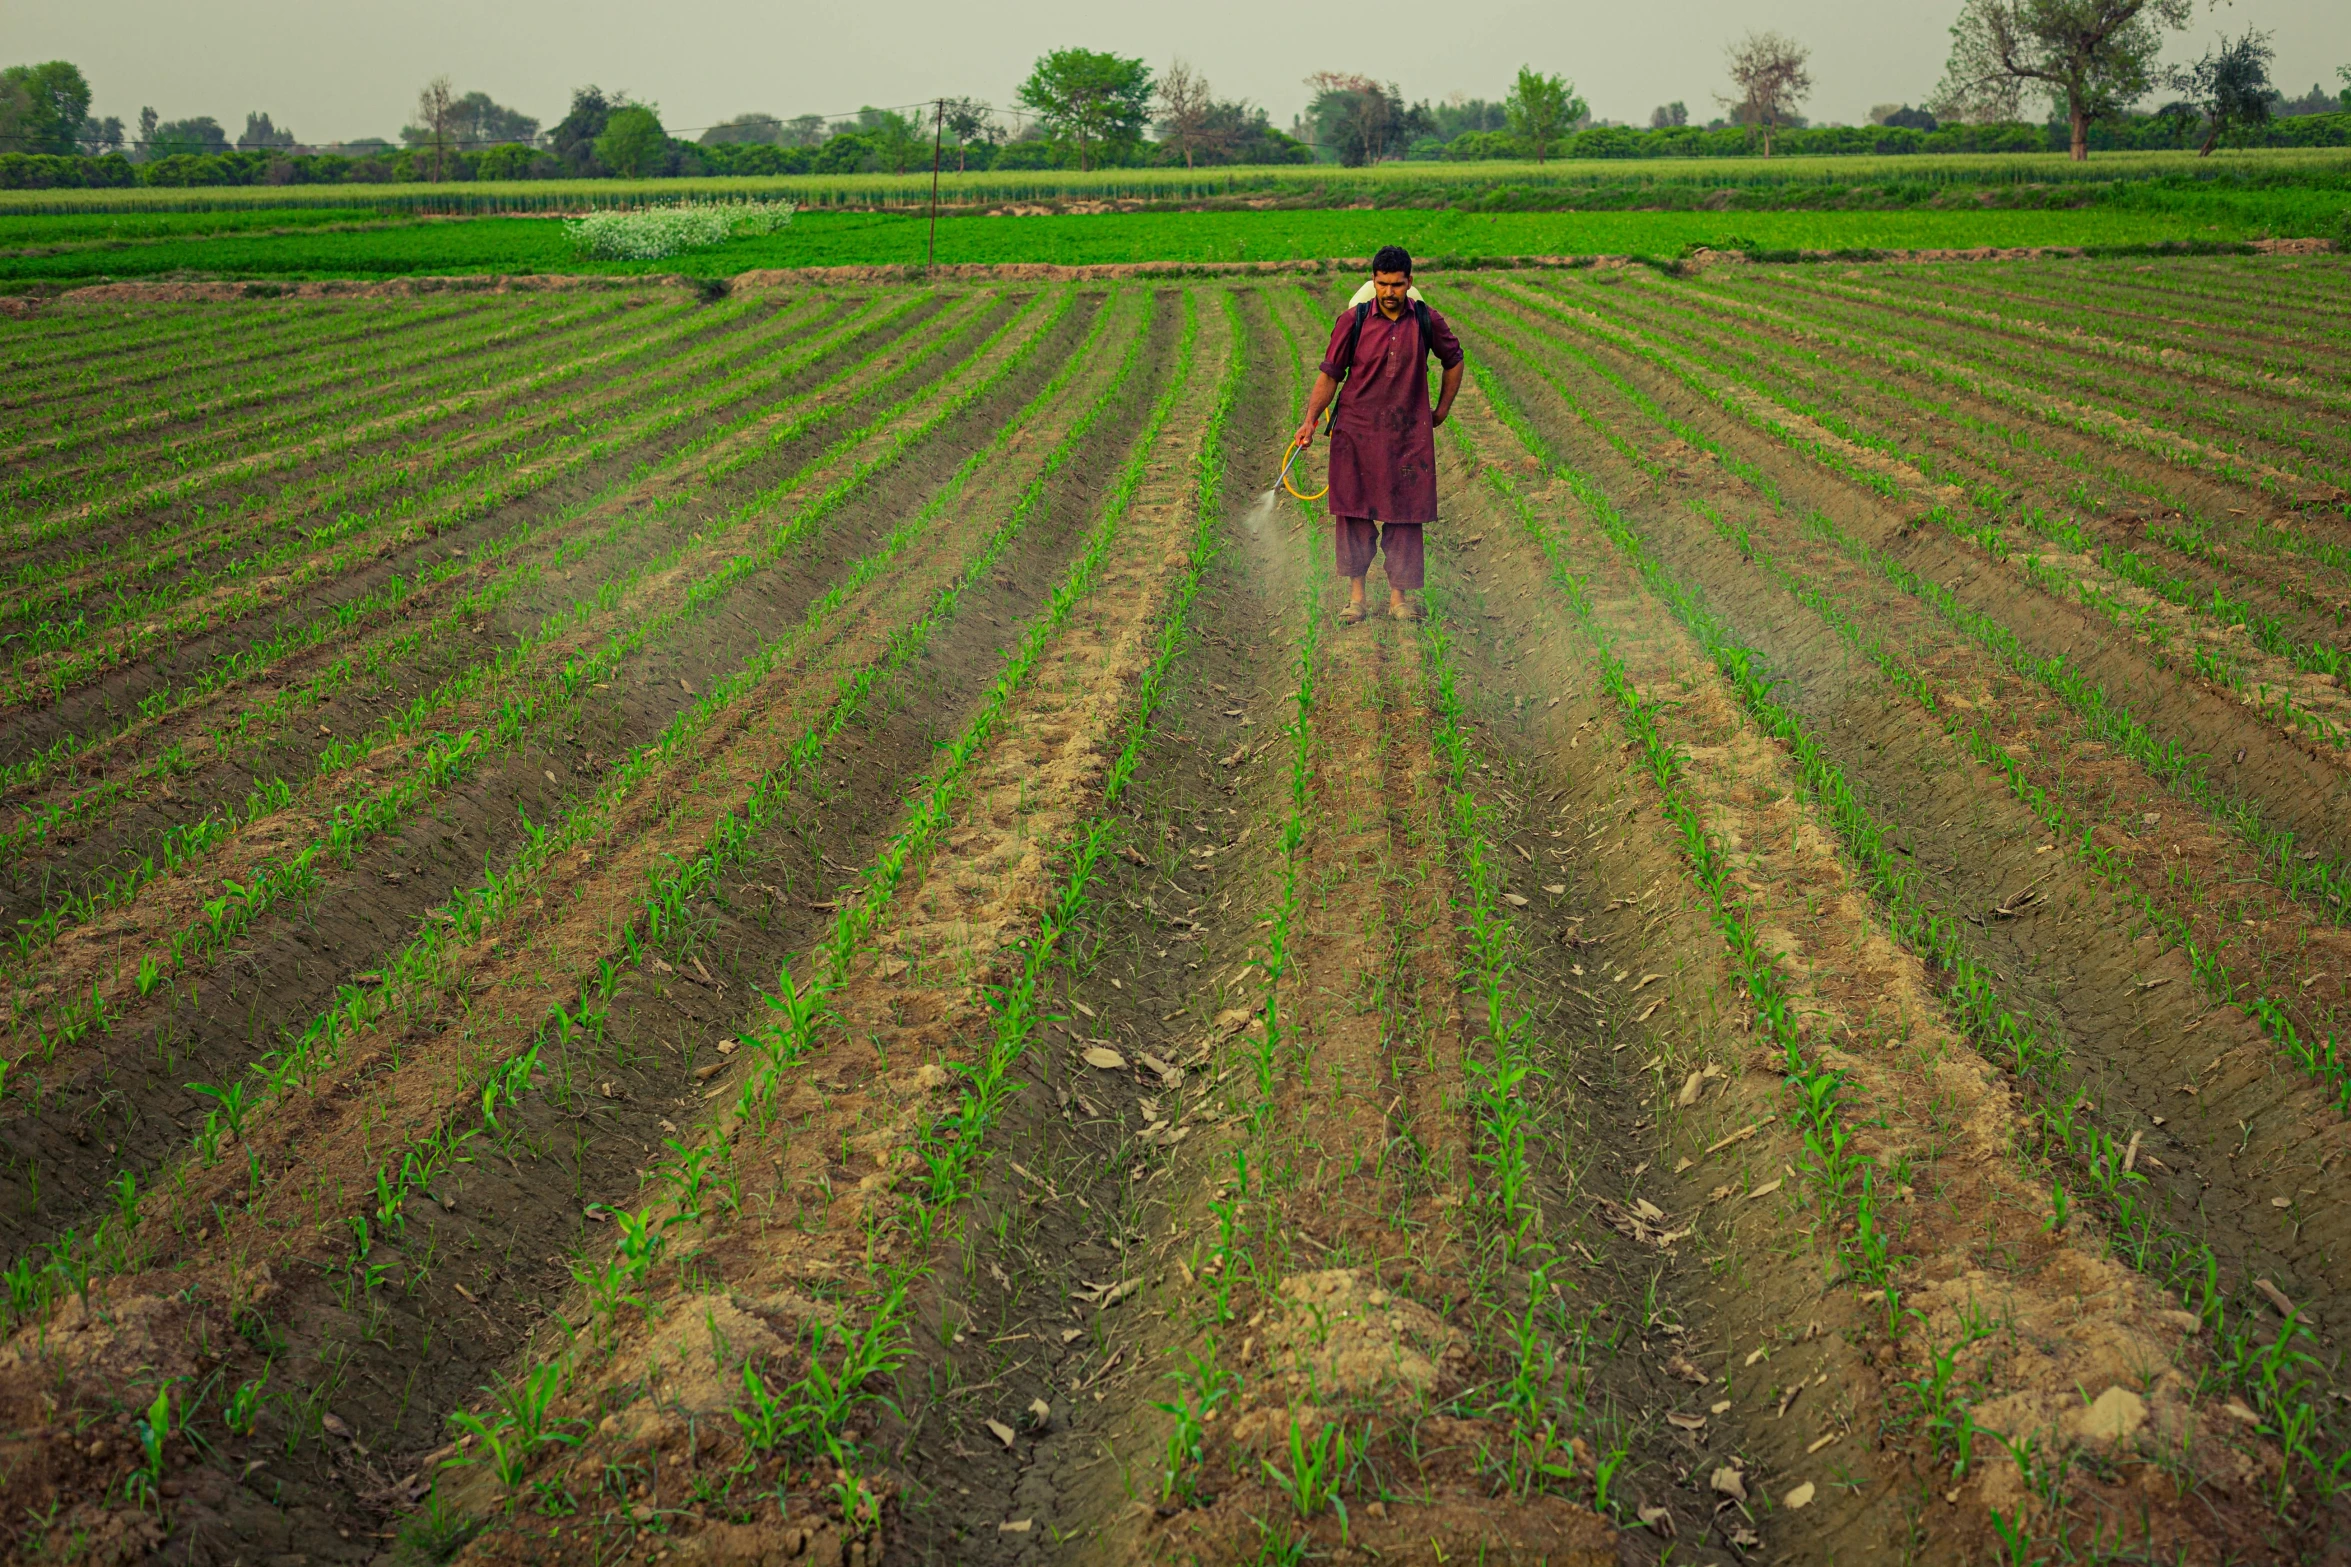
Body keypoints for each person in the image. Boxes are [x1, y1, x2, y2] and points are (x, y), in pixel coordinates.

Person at [1291, 244, 1466, 623]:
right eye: (1383, 284)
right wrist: (1310, 419)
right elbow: (1330, 375)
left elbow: (1454, 359)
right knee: (1353, 514)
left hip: (1407, 437)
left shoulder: (1425, 319)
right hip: (1355, 433)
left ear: (1410, 283)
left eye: (1398, 285)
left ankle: (1398, 600)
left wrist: (1441, 410)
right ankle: (1356, 600)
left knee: (1405, 516)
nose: (1390, 293)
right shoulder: (1352, 320)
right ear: (1373, 281)